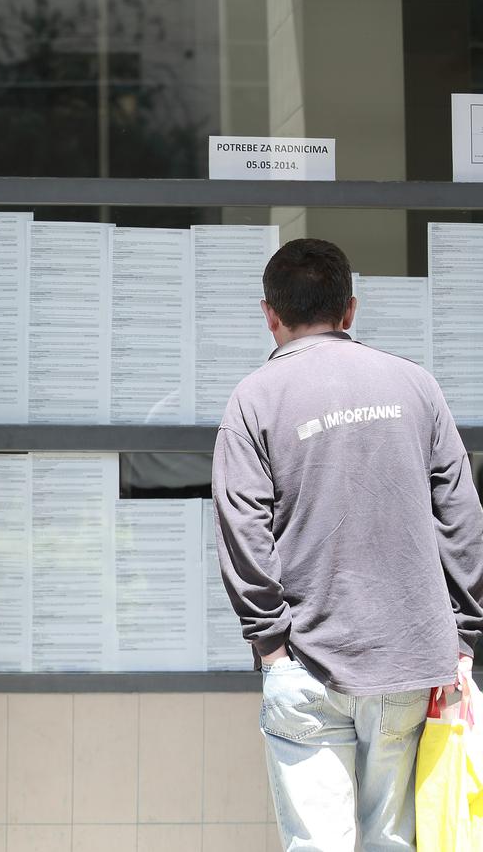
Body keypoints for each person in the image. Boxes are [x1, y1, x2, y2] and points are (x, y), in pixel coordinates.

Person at [213, 237, 483, 850]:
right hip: (409, 661)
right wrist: (462, 638)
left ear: (270, 314)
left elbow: (241, 527)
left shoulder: (254, 400)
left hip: (304, 663)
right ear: (350, 310)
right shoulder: (417, 386)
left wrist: (271, 647)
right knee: (392, 841)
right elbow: (463, 519)